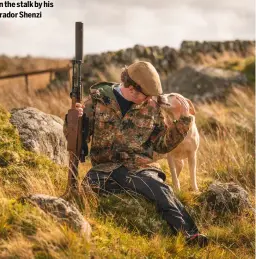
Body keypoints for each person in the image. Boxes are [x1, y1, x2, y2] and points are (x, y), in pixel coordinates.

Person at [64, 61, 208, 247]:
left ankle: (190, 234)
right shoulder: (98, 101)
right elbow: (75, 137)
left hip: (140, 169)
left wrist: (183, 122)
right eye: (146, 95)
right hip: (104, 170)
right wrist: (74, 119)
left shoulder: (152, 107)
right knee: (89, 187)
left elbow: (162, 145)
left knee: (159, 190)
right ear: (131, 88)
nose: (150, 99)